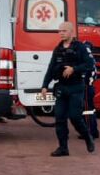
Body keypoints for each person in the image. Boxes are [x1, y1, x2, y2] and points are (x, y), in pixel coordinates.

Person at [41, 22, 96, 157]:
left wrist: (74, 69)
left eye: (64, 31)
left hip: (76, 87)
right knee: (59, 118)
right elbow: (50, 67)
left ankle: (87, 137)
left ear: (71, 32)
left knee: (75, 117)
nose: (61, 33)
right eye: (59, 31)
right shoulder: (58, 49)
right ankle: (63, 148)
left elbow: (89, 64)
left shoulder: (80, 48)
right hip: (61, 87)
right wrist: (44, 85)